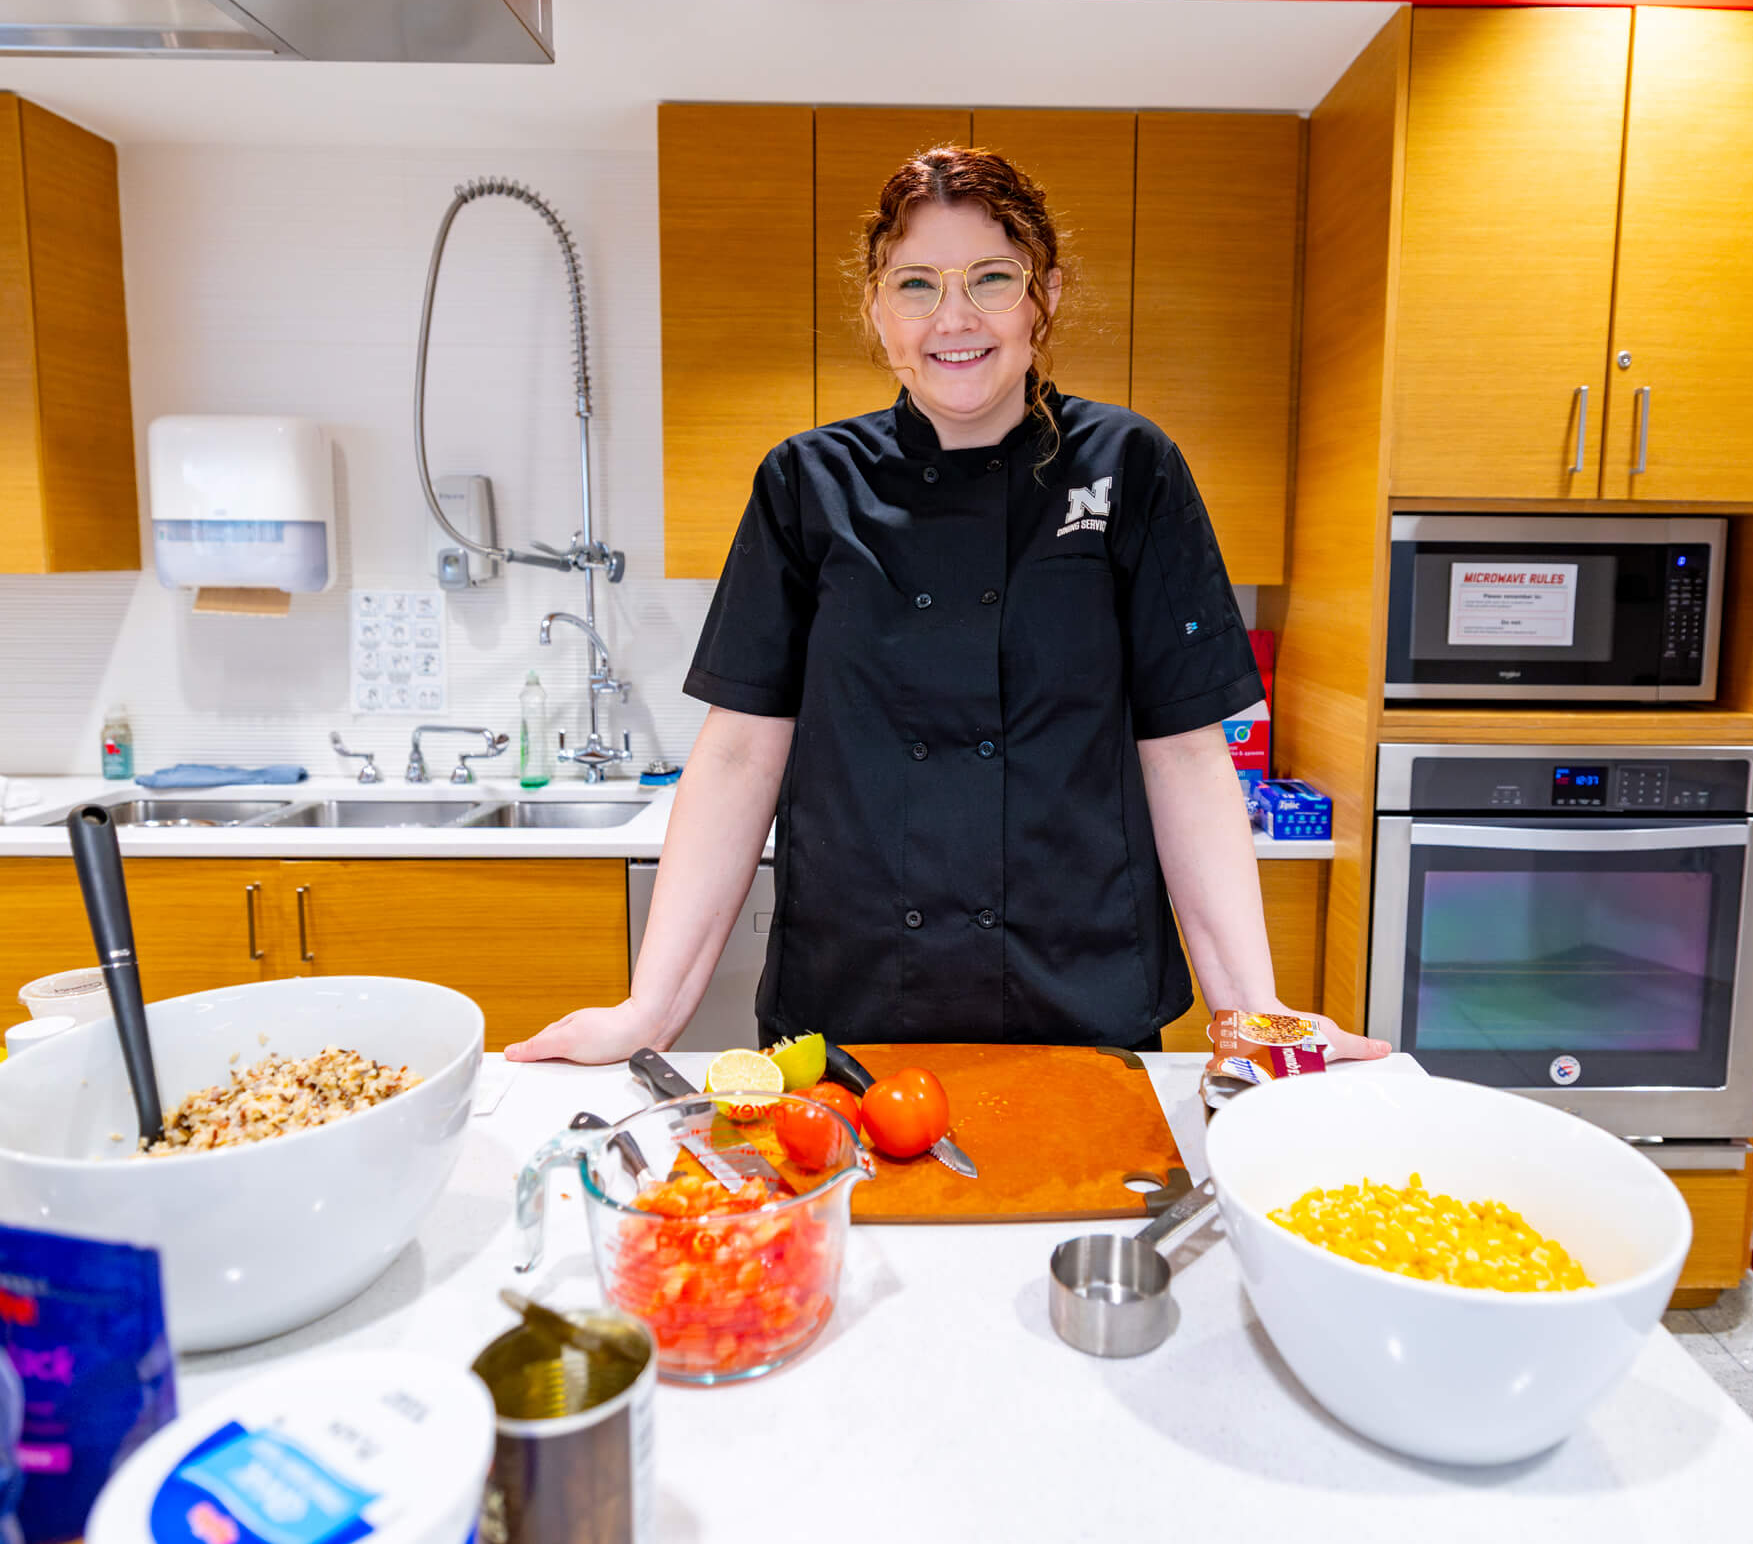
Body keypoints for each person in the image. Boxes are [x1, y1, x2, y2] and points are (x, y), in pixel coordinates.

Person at [508, 146, 1384, 1062]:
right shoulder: (807, 484)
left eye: (991, 278)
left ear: (1044, 293)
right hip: (853, 1006)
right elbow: (736, 757)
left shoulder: (1130, 466)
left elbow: (1187, 756)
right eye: (916, 284)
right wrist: (649, 1013)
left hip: (1080, 1003)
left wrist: (1250, 1011)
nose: (954, 317)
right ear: (876, 309)